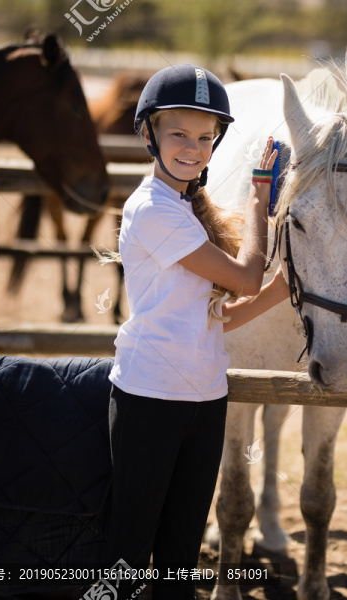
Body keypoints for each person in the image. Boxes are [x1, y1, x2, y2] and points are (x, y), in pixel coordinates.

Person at [104, 64, 288, 598]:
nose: (193, 147)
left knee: (181, 551)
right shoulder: (152, 209)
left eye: (206, 137)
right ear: (149, 134)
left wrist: (282, 290)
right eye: (178, 133)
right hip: (150, 399)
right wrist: (258, 196)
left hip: (207, 397)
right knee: (131, 551)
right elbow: (245, 277)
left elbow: (219, 317)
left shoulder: (187, 207)